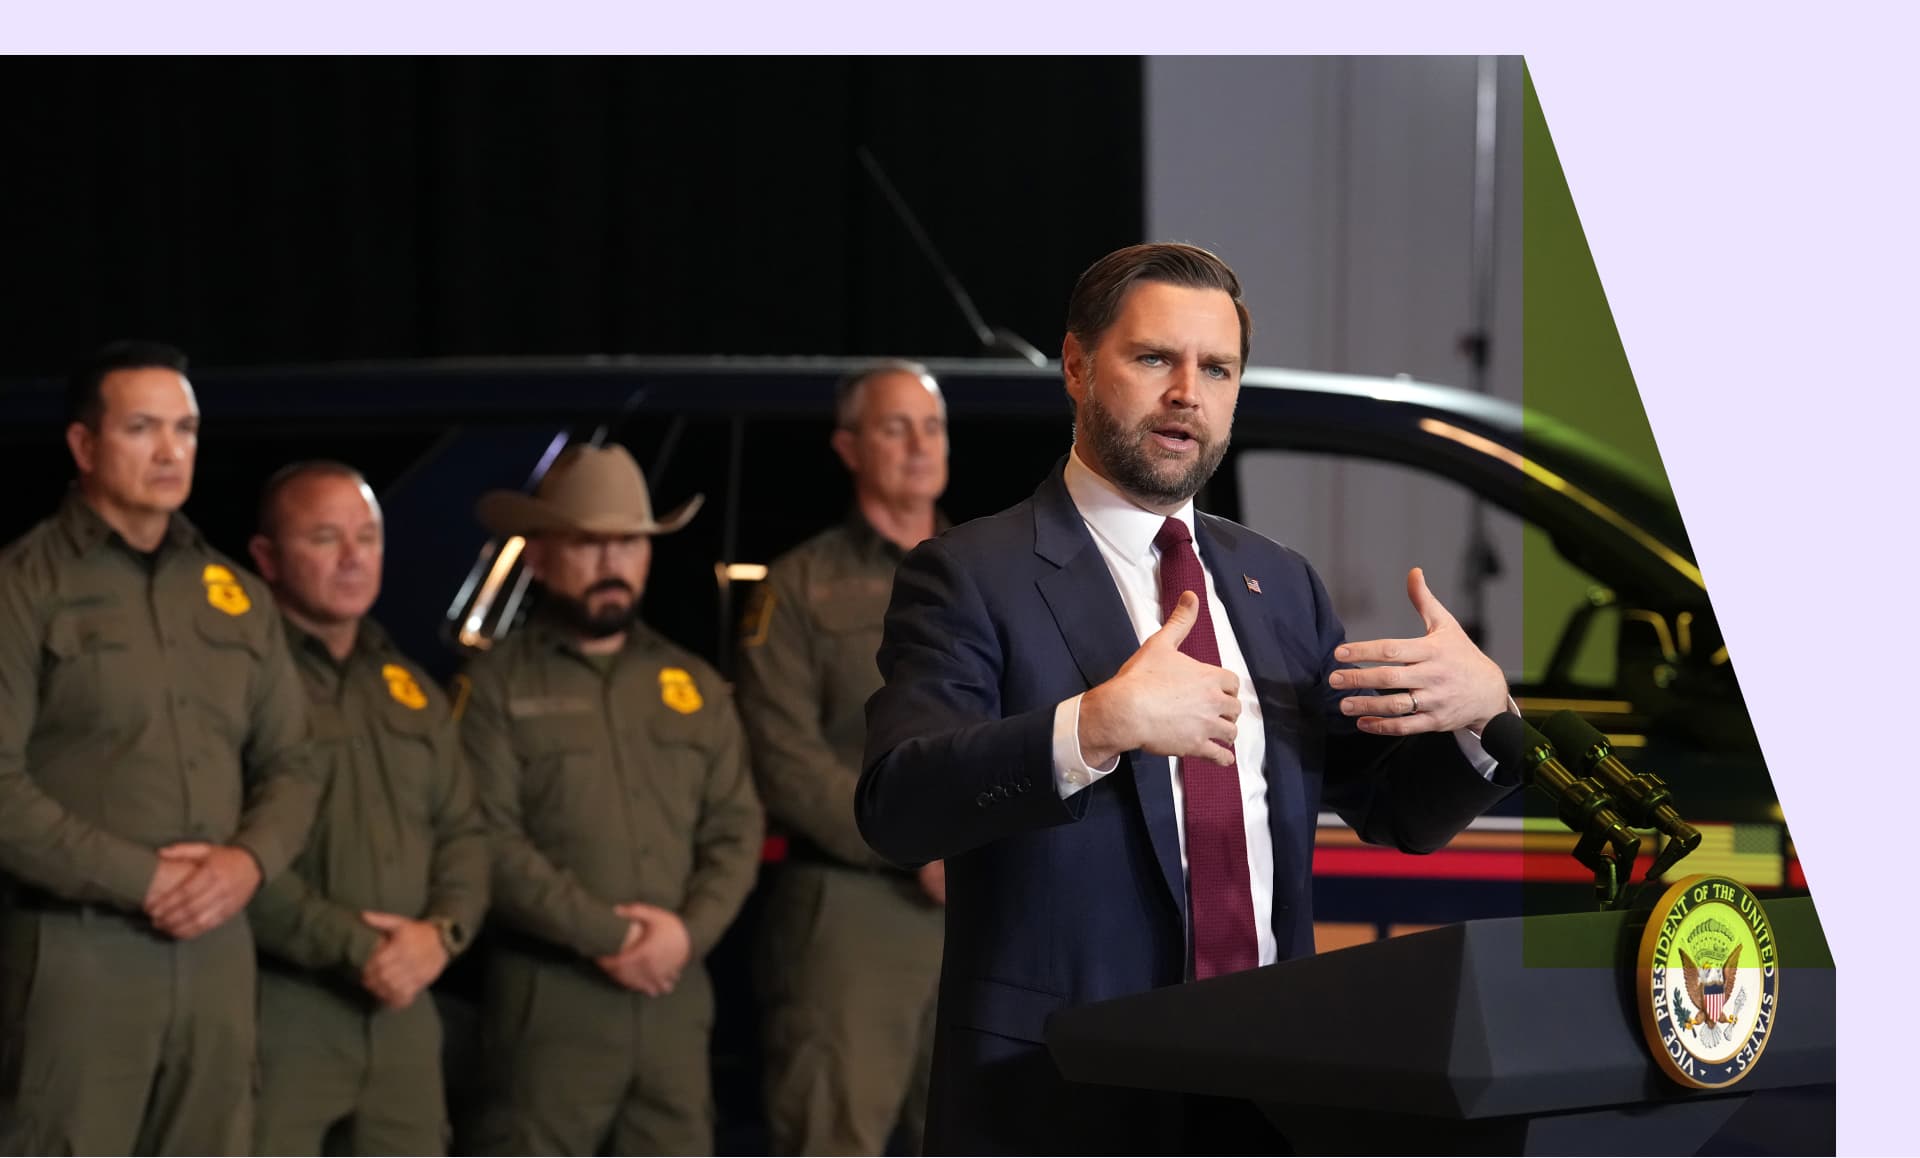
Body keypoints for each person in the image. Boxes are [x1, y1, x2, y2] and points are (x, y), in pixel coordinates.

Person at [855, 244, 1519, 1154]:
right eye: (1155, 358)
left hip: (1269, 1082)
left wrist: (1485, 722)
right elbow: (898, 807)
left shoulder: (1277, 584)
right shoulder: (972, 575)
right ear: (1079, 366)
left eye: (1217, 369)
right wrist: (1095, 726)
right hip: (1067, 1090)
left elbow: (1394, 808)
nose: (1187, 393)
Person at [0, 340, 321, 1155]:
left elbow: (295, 764)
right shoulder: (22, 586)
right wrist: (147, 880)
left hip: (217, 952)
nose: (172, 449)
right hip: (77, 949)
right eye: (143, 427)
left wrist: (243, 865)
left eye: (186, 428)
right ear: (83, 445)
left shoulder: (237, 598)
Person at [459, 443, 764, 1155]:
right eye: (587, 543)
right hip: (549, 1001)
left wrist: (686, 935)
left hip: (673, 997)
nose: (611, 563)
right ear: (538, 556)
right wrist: (614, 936)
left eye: (628, 542)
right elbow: (485, 840)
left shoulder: (690, 687)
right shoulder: (494, 687)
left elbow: (736, 827)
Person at [244, 461, 490, 1155]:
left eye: (368, 537)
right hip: (282, 1003)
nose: (354, 558)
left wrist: (440, 935)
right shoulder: (241, 678)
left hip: (405, 1010)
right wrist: (359, 947)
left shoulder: (409, 689)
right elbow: (219, 849)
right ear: (267, 558)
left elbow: (465, 835)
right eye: (325, 538)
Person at [736, 360, 949, 1155]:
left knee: (982, 1133)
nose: (919, 445)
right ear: (850, 447)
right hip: (854, 910)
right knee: (834, 1136)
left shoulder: (996, 571)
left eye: (932, 427)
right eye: (895, 428)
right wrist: (910, 844)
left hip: (983, 901)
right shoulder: (798, 586)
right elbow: (779, 753)